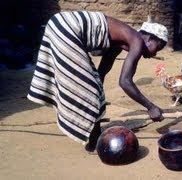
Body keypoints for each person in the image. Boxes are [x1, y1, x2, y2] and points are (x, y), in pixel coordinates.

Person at [27, 11, 168, 152]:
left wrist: (97, 93)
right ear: (149, 39)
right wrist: (150, 107)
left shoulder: (119, 41)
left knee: (92, 87)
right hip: (68, 26)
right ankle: (94, 140)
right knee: (90, 90)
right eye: (158, 48)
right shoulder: (136, 40)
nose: (155, 54)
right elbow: (125, 81)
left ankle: (93, 135)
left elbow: (102, 72)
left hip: (60, 23)